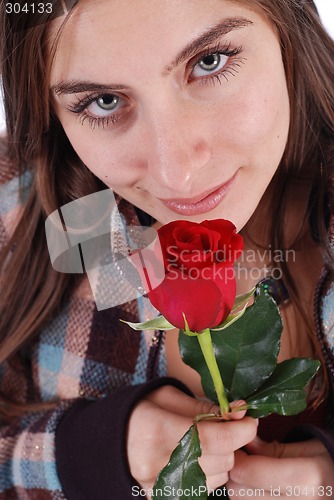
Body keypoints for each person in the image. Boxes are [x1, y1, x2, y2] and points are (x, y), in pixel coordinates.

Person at [0, 0, 333, 498]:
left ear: (288, 28)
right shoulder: (35, 219)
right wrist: (85, 451)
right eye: (104, 101)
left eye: (209, 61)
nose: (175, 172)